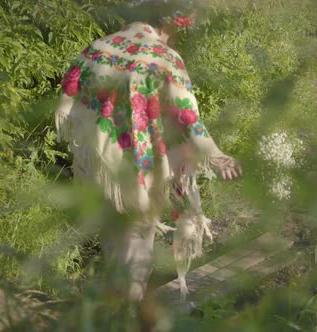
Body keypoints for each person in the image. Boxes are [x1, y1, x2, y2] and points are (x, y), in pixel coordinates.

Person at [54, 0, 242, 303]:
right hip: (136, 176)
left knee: (114, 247)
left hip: (97, 168)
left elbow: (70, 95)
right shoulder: (163, 56)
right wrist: (215, 155)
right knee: (137, 253)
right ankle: (128, 313)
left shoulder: (99, 47)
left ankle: (116, 309)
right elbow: (186, 115)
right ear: (172, 21)